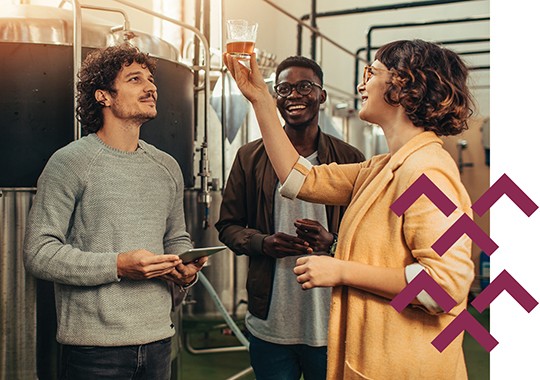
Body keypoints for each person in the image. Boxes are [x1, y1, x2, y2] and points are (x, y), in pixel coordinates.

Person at [224, 39, 475, 379]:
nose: (361, 84)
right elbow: (299, 178)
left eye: (371, 72)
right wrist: (260, 99)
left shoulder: (427, 171)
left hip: (405, 367)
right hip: (372, 359)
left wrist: (341, 270)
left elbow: (442, 289)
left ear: (404, 86)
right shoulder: (383, 167)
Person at [23, 43, 207, 380]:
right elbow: (39, 253)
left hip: (158, 339)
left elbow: (176, 236)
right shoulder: (70, 163)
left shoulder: (167, 166)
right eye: (135, 79)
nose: (150, 87)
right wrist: (119, 266)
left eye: (151, 80)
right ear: (103, 96)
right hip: (93, 349)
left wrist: (185, 266)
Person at [216, 56, 365, 380]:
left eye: (304, 86)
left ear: (322, 95)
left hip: (330, 322)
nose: (294, 95)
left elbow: (367, 238)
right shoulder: (250, 156)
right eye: (284, 88)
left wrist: (332, 242)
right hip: (271, 324)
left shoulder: (350, 159)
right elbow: (227, 226)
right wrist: (262, 243)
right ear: (275, 96)